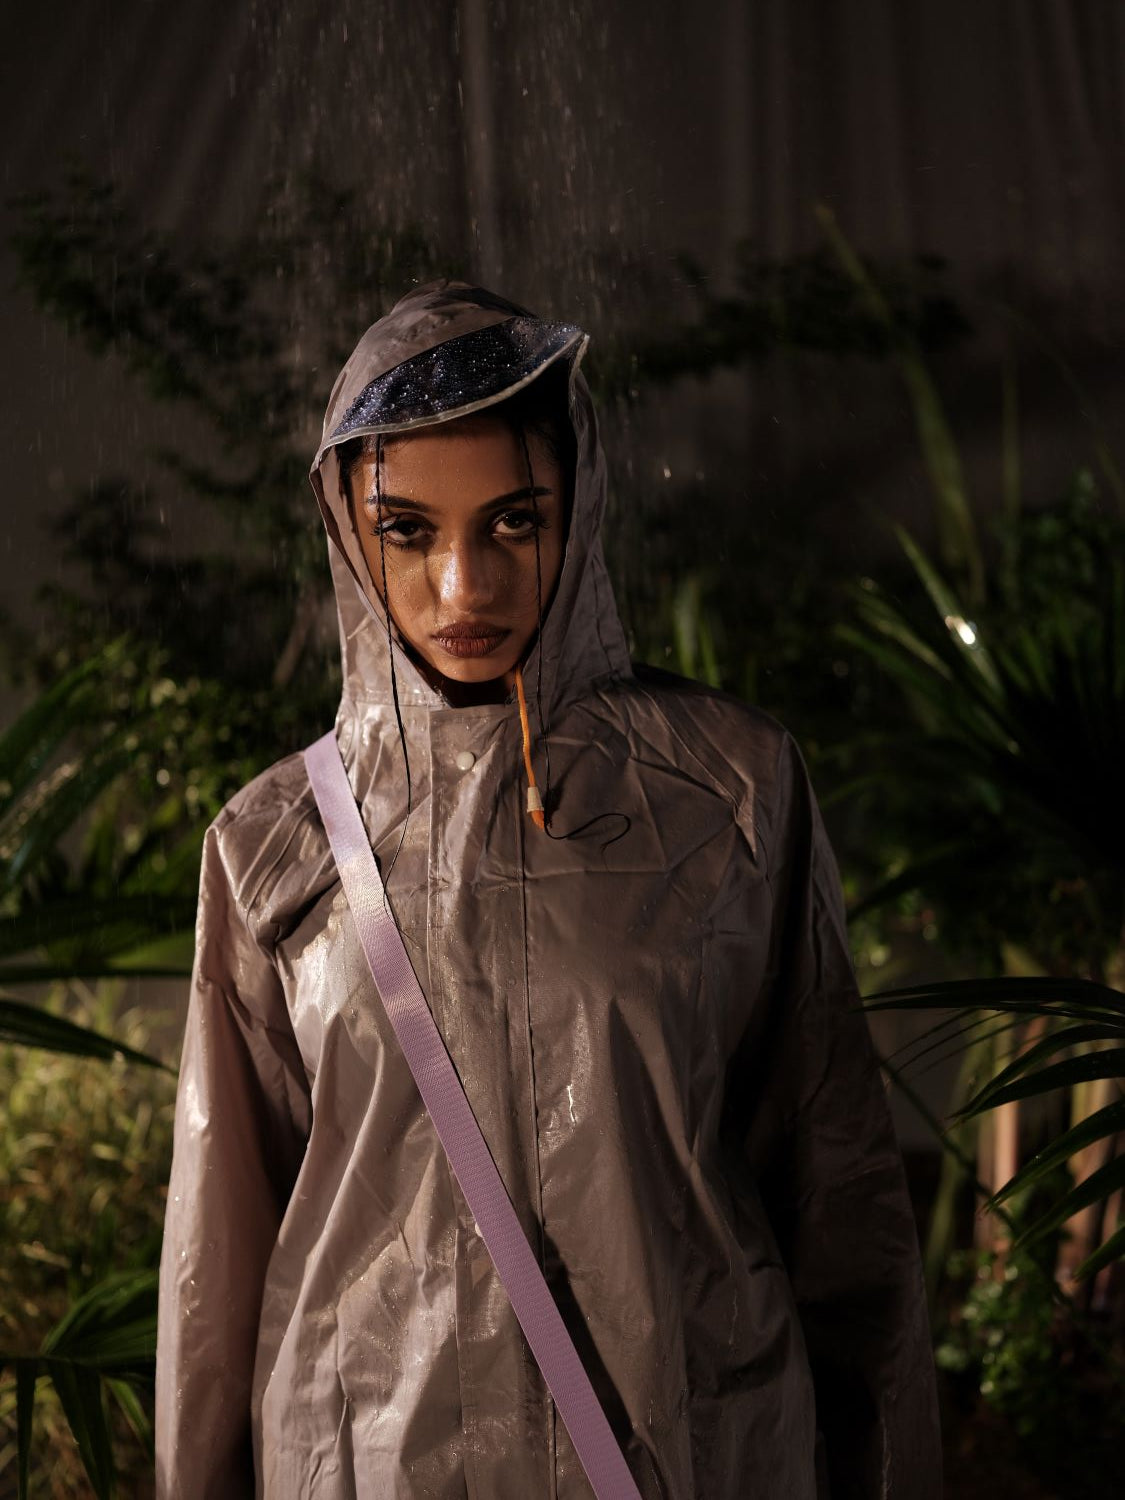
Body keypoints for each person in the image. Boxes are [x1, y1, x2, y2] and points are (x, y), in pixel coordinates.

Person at [155, 278, 942, 1499]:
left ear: (580, 505)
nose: (464, 586)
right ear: (348, 532)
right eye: (408, 530)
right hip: (370, 1463)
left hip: (688, 1450)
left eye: (513, 522)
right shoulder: (274, 842)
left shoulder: (730, 790)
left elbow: (841, 1200)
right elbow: (217, 1264)